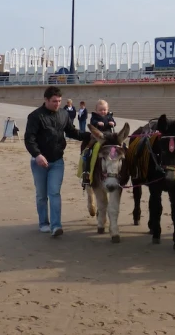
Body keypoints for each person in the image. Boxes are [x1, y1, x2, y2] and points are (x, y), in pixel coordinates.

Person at [25, 86, 91, 237]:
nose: (57, 104)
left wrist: (89, 136)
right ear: (46, 100)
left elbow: (72, 132)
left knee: (54, 192)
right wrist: (37, 155)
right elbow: (29, 139)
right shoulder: (35, 116)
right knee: (42, 195)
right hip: (39, 162)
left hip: (57, 161)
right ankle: (43, 223)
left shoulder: (63, 114)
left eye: (59, 101)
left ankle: (56, 226)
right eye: (54, 101)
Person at [80, 100, 116, 186]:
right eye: (100, 110)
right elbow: (92, 123)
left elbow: (114, 123)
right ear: (96, 110)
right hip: (97, 137)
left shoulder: (109, 116)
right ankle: (86, 171)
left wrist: (113, 123)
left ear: (107, 109)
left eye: (104, 110)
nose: (103, 112)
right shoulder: (94, 117)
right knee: (88, 151)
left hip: (108, 137)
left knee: (118, 149)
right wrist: (97, 123)